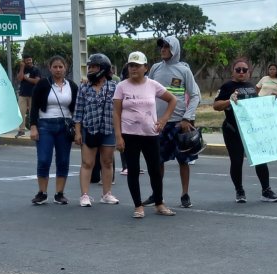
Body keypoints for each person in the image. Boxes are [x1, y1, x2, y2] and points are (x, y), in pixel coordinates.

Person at [114, 51, 178, 218]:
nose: (133, 68)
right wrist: (118, 136)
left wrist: (164, 119)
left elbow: (173, 100)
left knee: (155, 170)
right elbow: (116, 113)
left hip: (150, 134)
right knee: (133, 170)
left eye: (137, 65)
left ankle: (159, 203)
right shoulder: (121, 86)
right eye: (131, 65)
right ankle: (138, 206)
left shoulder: (153, 85)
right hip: (129, 134)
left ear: (145, 67)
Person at [213, 57, 277, 203]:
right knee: (236, 162)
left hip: (252, 130)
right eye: (238, 70)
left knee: (261, 159)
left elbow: (256, 107)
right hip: (233, 130)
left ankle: (266, 190)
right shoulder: (227, 86)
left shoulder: (251, 86)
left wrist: (270, 101)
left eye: (244, 70)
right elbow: (216, 105)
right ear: (233, 72)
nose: (241, 72)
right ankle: (239, 190)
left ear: (249, 72)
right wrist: (228, 100)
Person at [148, 35, 202, 208]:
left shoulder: (184, 70)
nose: (163, 49)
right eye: (162, 46)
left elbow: (195, 96)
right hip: (158, 123)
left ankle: (185, 194)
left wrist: (187, 117)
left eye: (167, 46)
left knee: (183, 160)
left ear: (175, 49)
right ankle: (158, 195)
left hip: (179, 123)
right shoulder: (155, 69)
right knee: (159, 161)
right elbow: (148, 91)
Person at [28, 55, 78, 205]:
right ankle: (42, 193)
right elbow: (34, 106)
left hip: (65, 125)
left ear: (65, 68)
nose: (58, 70)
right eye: (55, 67)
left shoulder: (72, 86)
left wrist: (77, 128)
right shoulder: (43, 84)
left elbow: (77, 108)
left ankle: (59, 193)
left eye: (60, 67)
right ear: (50, 68)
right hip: (45, 125)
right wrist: (33, 126)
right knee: (44, 159)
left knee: (63, 160)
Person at [73, 53, 119, 207]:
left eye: (94, 67)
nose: (91, 70)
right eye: (90, 67)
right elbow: (78, 111)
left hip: (108, 129)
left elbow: (120, 109)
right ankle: (84, 195)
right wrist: (78, 132)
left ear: (103, 68)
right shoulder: (84, 87)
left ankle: (107, 194)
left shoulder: (114, 87)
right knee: (87, 163)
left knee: (107, 162)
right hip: (89, 129)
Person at [14, 56, 40, 137]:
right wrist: (22, 68)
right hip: (22, 94)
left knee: (33, 113)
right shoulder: (22, 69)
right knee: (21, 112)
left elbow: (37, 81)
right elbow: (19, 79)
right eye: (27, 60)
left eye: (30, 59)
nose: (29, 61)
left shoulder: (35, 70)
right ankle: (21, 130)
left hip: (33, 94)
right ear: (24, 61)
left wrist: (26, 78)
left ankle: (35, 129)